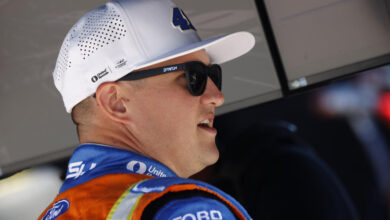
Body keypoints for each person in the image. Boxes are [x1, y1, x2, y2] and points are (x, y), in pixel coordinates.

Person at [39, 0, 255, 219]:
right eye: (192, 76)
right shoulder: (184, 210)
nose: (217, 97)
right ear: (117, 102)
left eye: (213, 75)